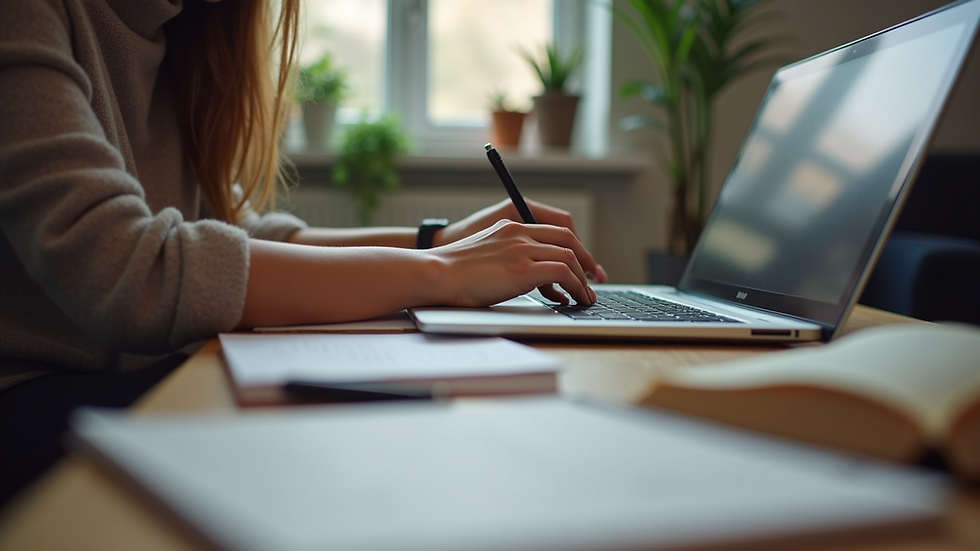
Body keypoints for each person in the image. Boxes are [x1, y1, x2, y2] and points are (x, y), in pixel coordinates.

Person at [0, 0, 606, 506]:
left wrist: (440, 241)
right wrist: (441, 271)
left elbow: (242, 233)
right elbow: (130, 271)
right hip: (30, 407)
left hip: (133, 386)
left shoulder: (181, 27)